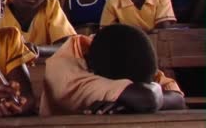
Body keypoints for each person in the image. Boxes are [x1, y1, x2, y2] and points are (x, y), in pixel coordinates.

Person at [40, 24, 185, 115]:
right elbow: (149, 98)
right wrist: (148, 92)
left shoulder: (119, 48)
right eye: (127, 85)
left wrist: (128, 100)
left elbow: (178, 99)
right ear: (94, 72)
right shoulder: (68, 76)